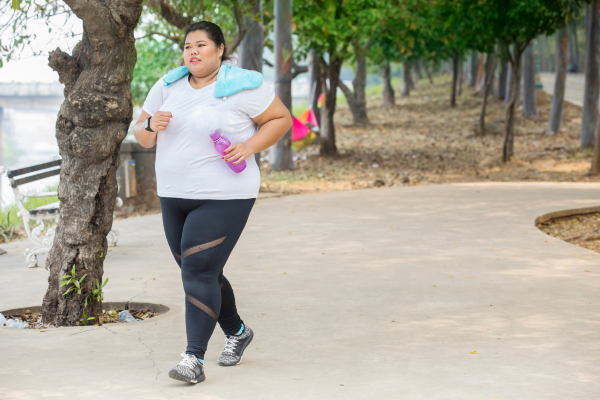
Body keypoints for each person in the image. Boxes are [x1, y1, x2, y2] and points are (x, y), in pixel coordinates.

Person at [133, 21, 292, 384]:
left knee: (198, 270)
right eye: (187, 46)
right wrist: (150, 125)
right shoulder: (168, 85)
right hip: (173, 194)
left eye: (201, 45)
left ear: (220, 49)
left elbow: (281, 119)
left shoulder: (242, 85)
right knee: (200, 271)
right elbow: (141, 136)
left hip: (226, 195)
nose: (192, 52)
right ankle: (237, 332)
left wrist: (249, 146)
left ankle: (193, 358)